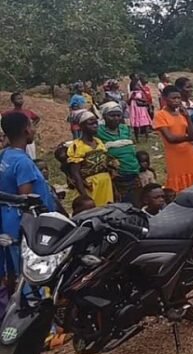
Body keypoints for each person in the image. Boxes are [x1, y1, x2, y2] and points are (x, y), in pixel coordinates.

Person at [0, 112, 59, 280]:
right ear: (26, 130)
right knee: (28, 268)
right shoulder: (23, 162)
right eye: (32, 126)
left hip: (6, 217)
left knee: (13, 266)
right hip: (23, 223)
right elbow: (26, 200)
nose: (34, 130)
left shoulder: (5, 155)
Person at [152, 86, 193, 192]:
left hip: (189, 154)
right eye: (173, 98)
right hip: (174, 155)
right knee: (177, 185)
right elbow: (170, 138)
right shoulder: (160, 115)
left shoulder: (182, 114)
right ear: (165, 99)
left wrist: (188, 118)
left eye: (178, 98)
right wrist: (187, 138)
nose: (177, 101)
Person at [67, 111, 116, 207]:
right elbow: (76, 174)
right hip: (91, 186)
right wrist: (84, 195)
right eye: (90, 124)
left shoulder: (99, 142)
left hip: (105, 183)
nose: (95, 126)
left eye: (96, 123)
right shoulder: (77, 146)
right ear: (81, 126)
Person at [97, 102, 141, 205]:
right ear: (104, 116)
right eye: (112, 115)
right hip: (116, 175)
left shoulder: (125, 129)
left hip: (133, 170)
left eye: (118, 115)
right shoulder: (98, 131)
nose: (116, 118)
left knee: (136, 200)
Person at [4, 92, 40, 159]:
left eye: (21, 98)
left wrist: (32, 125)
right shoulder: (10, 114)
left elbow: (37, 118)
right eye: (18, 99)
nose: (21, 100)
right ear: (13, 101)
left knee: (31, 157)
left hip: (27, 138)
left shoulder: (27, 112)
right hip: (16, 139)